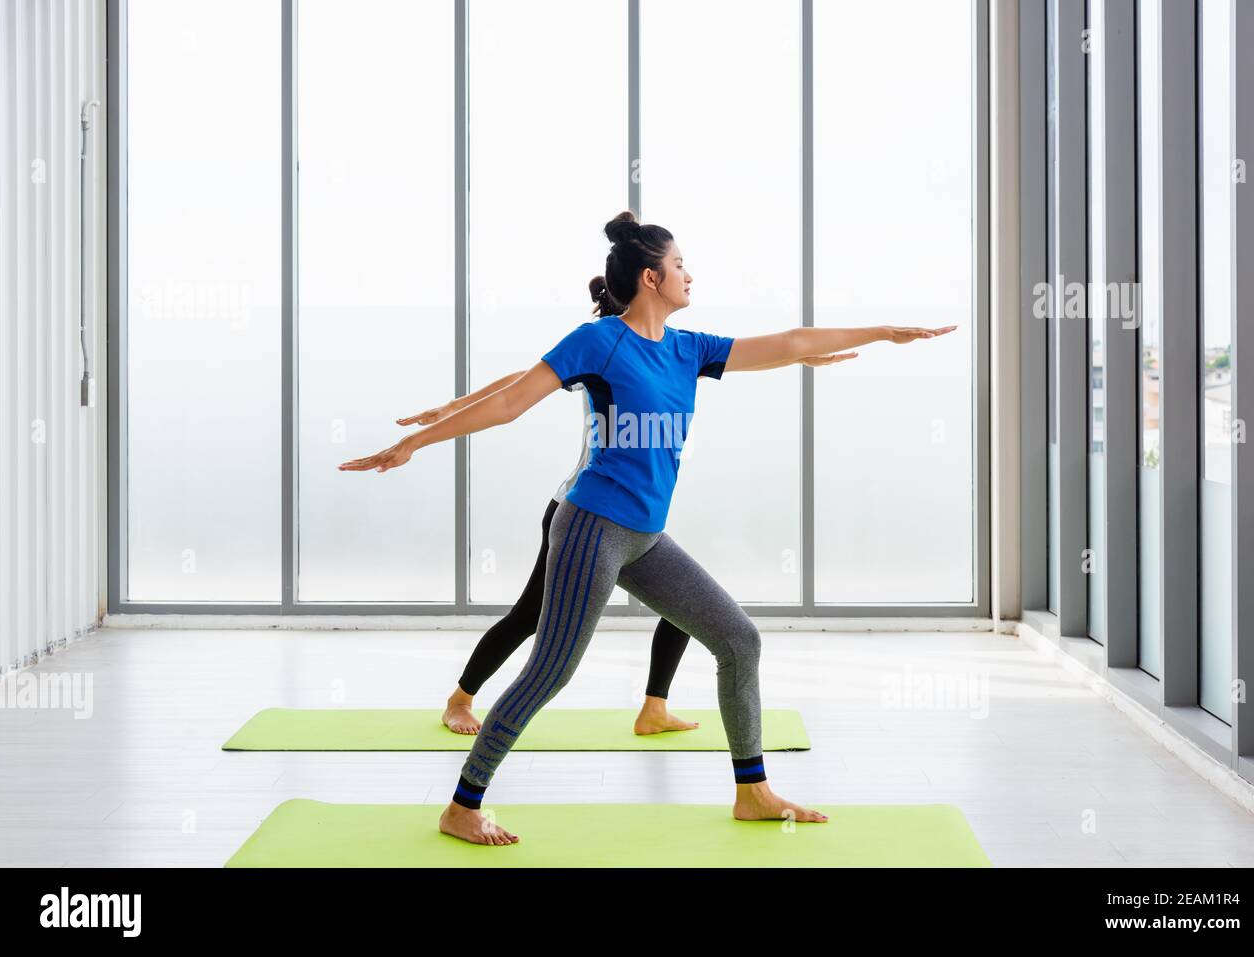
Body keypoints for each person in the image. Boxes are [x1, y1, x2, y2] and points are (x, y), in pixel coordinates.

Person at [340, 210, 955, 845]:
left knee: (739, 642)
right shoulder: (600, 341)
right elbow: (509, 402)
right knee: (550, 671)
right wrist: (417, 441)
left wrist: (884, 332)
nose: (690, 273)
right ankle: (462, 806)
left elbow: (792, 341)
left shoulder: (690, 350)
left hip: (646, 538)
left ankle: (754, 791)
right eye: (681, 264)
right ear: (650, 277)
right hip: (591, 528)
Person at [402, 359, 856, 737]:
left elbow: (741, 357)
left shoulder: (663, 349)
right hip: (580, 516)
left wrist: (802, 356)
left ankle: (653, 708)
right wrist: (451, 408)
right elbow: (516, 386)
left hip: (636, 518)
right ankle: (459, 700)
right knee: (530, 616)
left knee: (686, 608)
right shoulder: (600, 350)